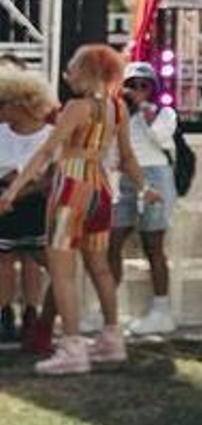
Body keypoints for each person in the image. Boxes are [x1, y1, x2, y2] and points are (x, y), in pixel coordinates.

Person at [0, 43, 152, 375]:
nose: (68, 75)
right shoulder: (117, 109)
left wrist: (12, 190)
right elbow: (126, 158)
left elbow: (44, 153)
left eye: (73, 68)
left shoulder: (76, 108)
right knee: (100, 268)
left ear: (88, 72)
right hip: (101, 189)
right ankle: (112, 339)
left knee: (62, 272)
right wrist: (145, 187)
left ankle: (72, 348)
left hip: (70, 190)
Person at [110, 59, 179, 338]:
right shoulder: (117, 113)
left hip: (155, 176)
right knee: (111, 242)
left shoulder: (164, 112)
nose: (137, 90)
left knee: (154, 245)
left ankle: (161, 310)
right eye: (131, 85)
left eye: (144, 85)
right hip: (125, 178)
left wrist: (147, 113)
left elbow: (162, 138)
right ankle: (109, 308)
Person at [0, 64, 56, 353]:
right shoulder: (0, 132)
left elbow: (51, 177)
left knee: (35, 260)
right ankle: (4, 314)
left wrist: (19, 187)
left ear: (20, 103)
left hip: (36, 206)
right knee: (3, 259)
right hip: (5, 207)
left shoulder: (50, 134)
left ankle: (33, 314)